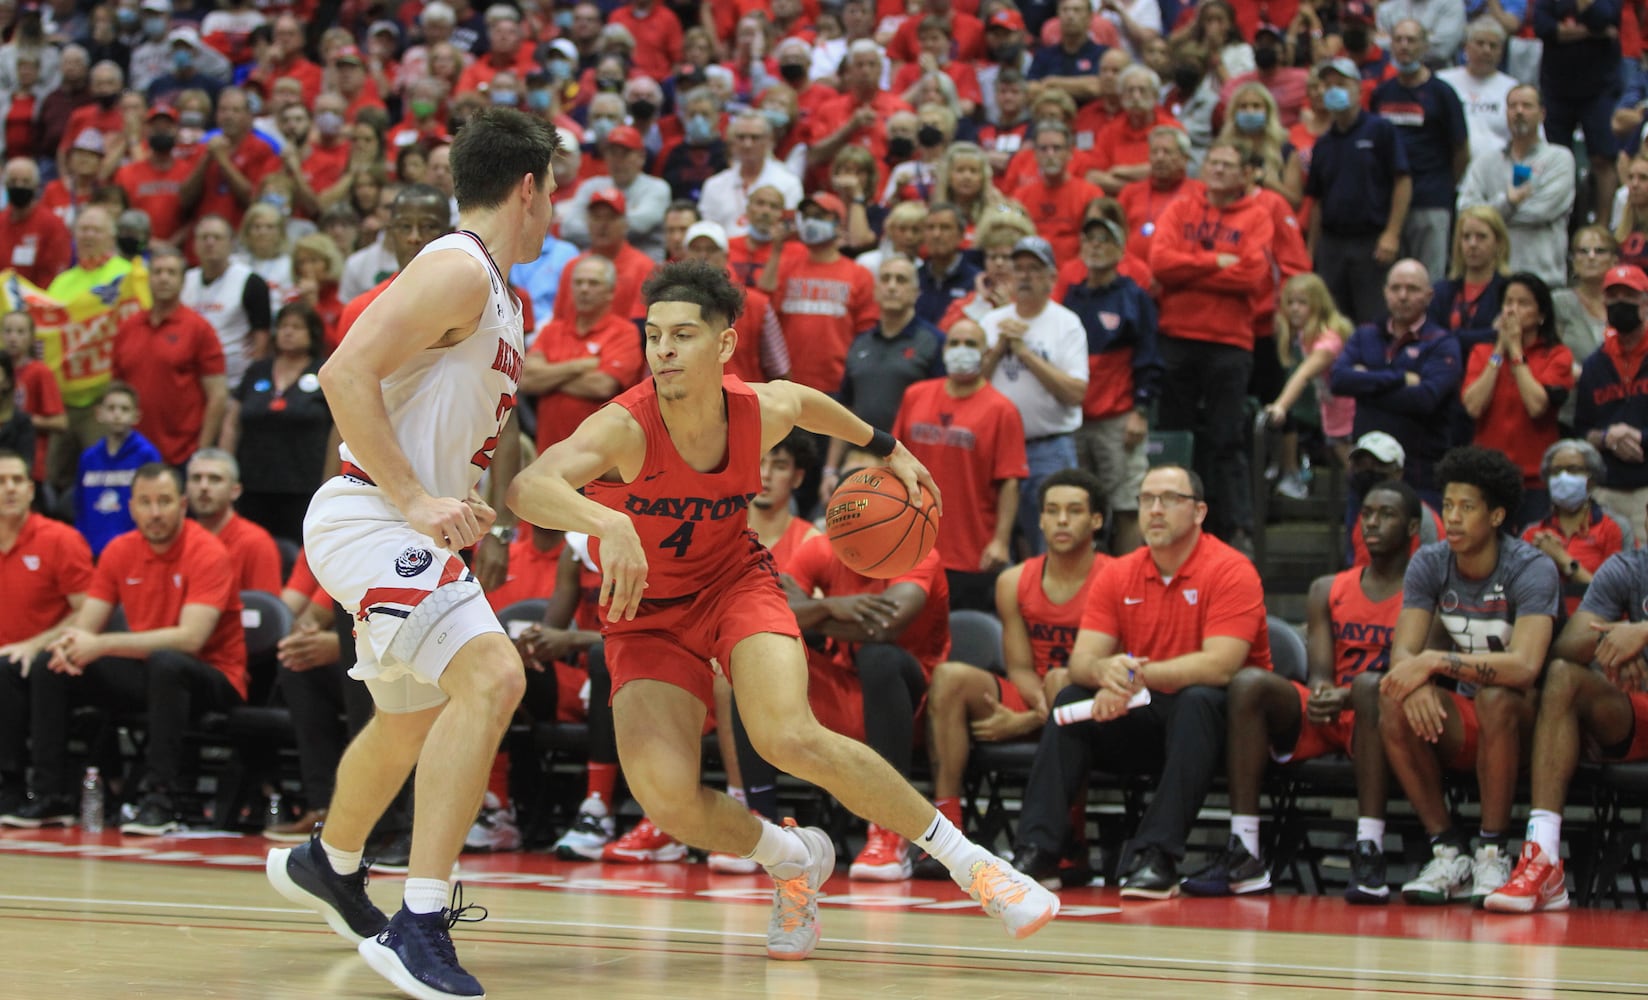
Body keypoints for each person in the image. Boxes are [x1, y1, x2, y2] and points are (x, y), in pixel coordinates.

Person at [506, 259, 1059, 959]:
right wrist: (608, 523)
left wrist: (886, 448)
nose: (664, 351)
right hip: (646, 617)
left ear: (726, 346)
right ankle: (793, 859)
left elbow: (806, 401)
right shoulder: (625, 426)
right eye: (653, 336)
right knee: (666, 798)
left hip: (734, 584)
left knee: (787, 735)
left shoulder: (757, 411)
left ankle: (975, 866)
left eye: (683, 335)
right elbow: (529, 486)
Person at [263, 107, 560, 1000]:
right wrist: (415, 498)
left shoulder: (499, 291)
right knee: (494, 679)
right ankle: (418, 922)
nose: (554, 211)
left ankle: (332, 862)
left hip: (410, 524)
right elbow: (343, 373)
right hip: (370, 518)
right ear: (529, 187)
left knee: (411, 722)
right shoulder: (457, 266)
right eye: (553, 194)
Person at [1009, 464, 1273, 898]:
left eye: (1169, 499)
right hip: (1146, 710)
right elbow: (1083, 662)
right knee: (1073, 699)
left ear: (1199, 511)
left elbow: (1221, 667)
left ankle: (1158, 856)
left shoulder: (1231, 569)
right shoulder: (1120, 572)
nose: (1154, 510)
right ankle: (1038, 850)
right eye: (1146, 499)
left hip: (1226, 730)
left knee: (1198, 699)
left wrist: (1132, 675)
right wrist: (1105, 674)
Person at [1181, 481, 1421, 902]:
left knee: (1368, 688)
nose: (1373, 523)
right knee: (1250, 683)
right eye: (1366, 513)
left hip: (1383, 714)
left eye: (1387, 514)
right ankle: (1246, 849)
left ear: (1413, 526)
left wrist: (1346, 695)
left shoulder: (1423, 591)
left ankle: (1369, 849)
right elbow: (1323, 673)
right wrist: (1325, 690)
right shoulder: (1327, 588)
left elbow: (1409, 671)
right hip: (1334, 710)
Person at [19, 464, 246, 834]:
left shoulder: (208, 551)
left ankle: (160, 799)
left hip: (214, 677)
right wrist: (67, 644)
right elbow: (85, 627)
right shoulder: (119, 550)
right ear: (132, 508)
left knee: (167, 663)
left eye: (164, 502)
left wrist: (100, 644)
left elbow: (191, 639)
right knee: (53, 664)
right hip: (150, 673)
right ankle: (49, 795)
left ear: (182, 505)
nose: (155, 512)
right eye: (145, 502)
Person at [1378, 446, 1558, 906]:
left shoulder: (1531, 568)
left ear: (1497, 515)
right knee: (1389, 694)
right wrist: (1415, 679)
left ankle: (1493, 852)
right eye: (1448, 506)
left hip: (1527, 725)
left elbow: (1524, 666)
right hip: (1466, 719)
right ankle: (1449, 852)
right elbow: (1404, 651)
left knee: (1495, 698)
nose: (1453, 518)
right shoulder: (1430, 562)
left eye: (1468, 508)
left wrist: (1435, 665)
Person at [920, 468, 1110, 878]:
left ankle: (1068, 839)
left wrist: (1029, 719)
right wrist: (1042, 709)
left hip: (1091, 702)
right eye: (1052, 511)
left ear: (1096, 521)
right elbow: (1021, 668)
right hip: (1038, 692)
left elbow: (1109, 668)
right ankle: (945, 831)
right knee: (950, 677)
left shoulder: (1116, 576)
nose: (1061, 520)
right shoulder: (1013, 580)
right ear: (1039, 519)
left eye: (1074, 511)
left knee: (1064, 680)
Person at [1485, 536, 1648, 912]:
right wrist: (1616, 641)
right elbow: (1567, 646)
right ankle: (1543, 861)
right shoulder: (1628, 567)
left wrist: (1641, 632)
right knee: (1563, 675)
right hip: (1638, 707)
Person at [1149, 138, 1275, 553]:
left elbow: (1251, 276)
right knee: (1177, 439)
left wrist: (1191, 266)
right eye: (1213, 163)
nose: (1218, 170)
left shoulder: (1257, 216)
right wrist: (1218, 261)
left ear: (1244, 174)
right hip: (1177, 337)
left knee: (1226, 440)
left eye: (1228, 164)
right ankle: (1169, 522)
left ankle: (1237, 530)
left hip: (1230, 343)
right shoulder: (1181, 208)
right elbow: (1161, 264)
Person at [893, 319, 1029, 612]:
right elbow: (894, 459)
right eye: (954, 343)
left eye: (970, 344)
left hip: (971, 550)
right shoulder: (915, 395)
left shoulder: (1002, 410)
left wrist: (1001, 540)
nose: (961, 350)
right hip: (912, 544)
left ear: (986, 351)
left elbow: (1010, 481)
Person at [980, 236, 1088, 555]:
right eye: (1019, 268)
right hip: (995, 450)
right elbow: (970, 386)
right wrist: (999, 348)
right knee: (995, 538)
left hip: (1049, 447)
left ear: (1052, 278)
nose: (1025, 276)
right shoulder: (991, 322)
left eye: (1034, 269)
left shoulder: (1067, 324)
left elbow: (1075, 392)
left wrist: (1024, 353)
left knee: (1052, 539)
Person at [0, 450, 93, 821]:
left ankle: (17, 787)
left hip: (43, 657)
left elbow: (87, 609)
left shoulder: (59, 539)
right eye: (0, 481)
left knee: (11, 668)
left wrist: (34, 643)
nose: (9, 489)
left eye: (17, 481)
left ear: (30, 489)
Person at [1330, 259, 1462, 508]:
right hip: (1365, 474)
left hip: (1419, 475)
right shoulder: (1366, 334)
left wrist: (1365, 382)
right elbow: (1338, 379)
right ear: (1385, 292)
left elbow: (1426, 397)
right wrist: (1399, 379)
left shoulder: (1442, 342)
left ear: (1429, 295)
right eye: (1396, 288)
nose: (1403, 296)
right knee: (1357, 546)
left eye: (1412, 289)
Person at [1460, 273, 1574, 528]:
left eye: (1523, 303)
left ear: (1541, 314)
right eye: (1508, 302)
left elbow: (1536, 406)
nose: (1513, 310)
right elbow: (1473, 406)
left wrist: (1516, 352)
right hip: (1487, 478)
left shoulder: (1557, 355)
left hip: (1535, 481)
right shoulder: (1482, 353)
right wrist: (1500, 350)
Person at [1307, 57, 1412, 324]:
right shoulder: (1323, 143)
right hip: (1332, 244)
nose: (1334, 90)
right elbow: (1317, 201)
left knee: (1373, 319)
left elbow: (1402, 181)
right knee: (1331, 320)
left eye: (1341, 84)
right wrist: (1311, 252)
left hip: (1371, 241)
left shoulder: (1380, 130)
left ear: (1359, 89)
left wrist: (1391, 233)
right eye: (1328, 85)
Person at [222, 301, 332, 545]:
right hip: (252, 483)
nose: (288, 332)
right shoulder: (257, 370)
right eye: (283, 326)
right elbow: (232, 423)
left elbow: (338, 430)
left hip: (303, 485)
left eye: (296, 327)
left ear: (312, 333)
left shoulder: (325, 371)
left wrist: (329, 480)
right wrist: (224, 468)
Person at [111, 244, 228, 469]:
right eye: (157, 272)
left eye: (171, 272)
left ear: (183, 281)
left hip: (181, 453)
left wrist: (201, 452)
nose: (163, 278)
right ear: (148, 278)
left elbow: (217, 396)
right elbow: (116, 390)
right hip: (131, 452)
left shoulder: (199, 329)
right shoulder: (128, 327)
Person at [522, 255, 644, 455]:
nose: (584, 289)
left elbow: (602, 386)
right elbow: (526, 381)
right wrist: (580, 366)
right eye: (578, 282)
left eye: (593, 283)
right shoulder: (551, 330)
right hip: (548, 453)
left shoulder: (625, 332)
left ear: (611, 292)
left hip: (601, 456)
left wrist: (548, 378)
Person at [1576, 264, 1648, 545]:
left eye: (1628, 296)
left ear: (1644, 302)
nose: (1620, 304)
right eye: (1613, 297)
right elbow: (1581, 429)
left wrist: (1638, 436)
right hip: (1606, 489)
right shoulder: (1595, 364)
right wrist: (1608, 438)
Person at [1521, 439, 1628, 615]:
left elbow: (1616, 597)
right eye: (1555, 471)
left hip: (1594, 622)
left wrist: (1563, 559)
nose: (1563, 477)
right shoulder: (1532, 533)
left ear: (1591, 479)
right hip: (1542, 621)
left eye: (1572, 469)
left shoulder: (1613, 528)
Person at [182, 215, 273, 390]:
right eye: (204, 237)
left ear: (231, 242)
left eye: (217, 237)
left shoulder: (251, 281)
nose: (210, 242)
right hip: (191, 379)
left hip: (235, 381)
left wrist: (249, 383)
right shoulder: (185, 280)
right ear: (194, 244)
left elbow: (262, 339)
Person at [74, 382, 162, 557]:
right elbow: (80, 507)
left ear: (136, 416)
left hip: (133, 552)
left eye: (124, 409)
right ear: (99, 414)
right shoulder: (88, 458)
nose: (117, 414)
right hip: (92, 551)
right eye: (112, 408)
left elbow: (154, 505)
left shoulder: (147, 455)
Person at [184, 448, 283, 595]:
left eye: (215, 479)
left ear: (235, 491)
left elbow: (264, 611)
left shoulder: (256, 543)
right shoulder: (177, 538)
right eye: (196, 478)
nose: (203, 487)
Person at [0, 156, 73, 288]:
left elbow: (54, 273)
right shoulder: (1, 220)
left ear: (36, 186)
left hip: (37, 300)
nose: (19, 186)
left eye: (25, 181)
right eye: (13, 181)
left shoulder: (52, 225)